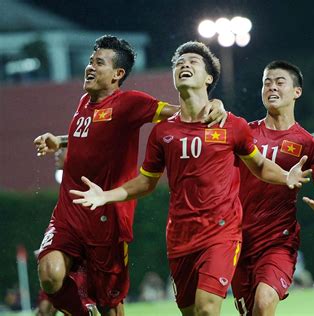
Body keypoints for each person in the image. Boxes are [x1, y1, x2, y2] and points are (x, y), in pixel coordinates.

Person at [69, 41, 311, 316]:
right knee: (193, 312)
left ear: (209, 78)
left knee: (208, 310)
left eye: (192, 62)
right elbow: (146, 182)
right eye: (179, 63)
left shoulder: (232, 125)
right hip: (180, 237)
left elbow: (259, 165)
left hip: (221, 232)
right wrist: (106, 195)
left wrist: (284, 176)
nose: (184, 65)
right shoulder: (162, 133)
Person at [33, 35, 227, 316]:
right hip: (69, 214)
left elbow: (179, 113)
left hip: (108, 219)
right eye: (90, 61)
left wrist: (215, 104)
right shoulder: (84, 104)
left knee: (110, 305)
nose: (90, 67)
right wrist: (60, 142)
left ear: (117, 74)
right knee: (49, 274)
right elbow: (93, 137)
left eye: (99, 63)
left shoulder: (130, 103)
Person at [232, 60, 314, 316]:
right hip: (238, 239)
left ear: (296, 91)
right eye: (266, 83)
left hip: (278, 240)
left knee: (265, 301)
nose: (271, 87)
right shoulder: (244, 133)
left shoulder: (307, 143)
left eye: (280, 82)